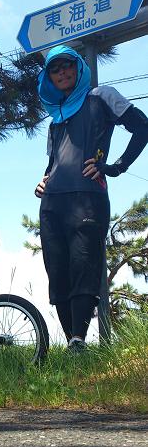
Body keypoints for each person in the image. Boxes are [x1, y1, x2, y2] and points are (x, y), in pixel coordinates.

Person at [35, 45, 148, 353]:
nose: (62, 73)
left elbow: (142, 127)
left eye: (67, 65)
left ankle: (78, 340)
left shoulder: (101, 96)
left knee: (83, 265)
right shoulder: (55, 119)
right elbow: (54, 162)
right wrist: (43, 180)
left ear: (79, 67)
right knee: (57, 271)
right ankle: (72, 349)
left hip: (88, 197)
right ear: (48, 78)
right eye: (54, 69)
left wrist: (116, 166)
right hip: (51, 204)